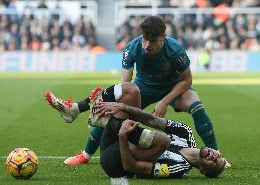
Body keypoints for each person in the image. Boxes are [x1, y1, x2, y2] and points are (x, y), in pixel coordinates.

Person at [47, 16, 218, 165]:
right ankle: (85, 154)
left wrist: (164, 102)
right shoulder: (132, 48)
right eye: (144, 39)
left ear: (163, 39)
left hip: (172, 87)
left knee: (196, 105)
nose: (146, 45)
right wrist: (121, 105)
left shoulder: (175, 50)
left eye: (152, 41)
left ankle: (216, 154)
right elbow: (124, 84)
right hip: (144, 87)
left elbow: (187, 80)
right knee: (112, 109)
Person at [45, 83, 229, 178]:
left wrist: (124, 138)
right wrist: (123, 108)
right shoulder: (185, 132)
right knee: (131, 90)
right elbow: (152, 120)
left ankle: (105, 121)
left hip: (115, 161)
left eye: (216, 163)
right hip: (119, 135)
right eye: (219, 156)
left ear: (204, 171)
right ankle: (75, 109)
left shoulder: (176, 168)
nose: (216, 156)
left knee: (162, 140)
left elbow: (131, 166)